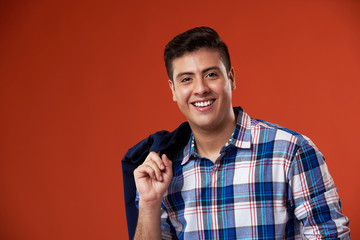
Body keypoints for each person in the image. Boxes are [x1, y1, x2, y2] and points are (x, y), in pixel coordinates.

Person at [129, 26, 350, 239]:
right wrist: (149, 203)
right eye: (186, 79)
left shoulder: (290, 151)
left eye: (211, 74)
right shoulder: (162, 170)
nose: (200, 88)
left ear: (231, 78)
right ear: (173, 90)